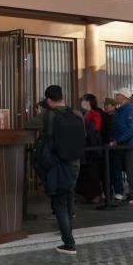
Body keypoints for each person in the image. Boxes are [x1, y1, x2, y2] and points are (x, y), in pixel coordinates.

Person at [35, 84, 84, 255]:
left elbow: (29, 125)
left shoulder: (48, 115)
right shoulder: (76, 114)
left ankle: (69, 243)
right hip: (75, 163)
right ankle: (69, 232)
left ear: (49, 100)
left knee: (59, 204)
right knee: (69, 198)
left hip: (58, 165)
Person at [111, 87, 133, 205]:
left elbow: (131, 128)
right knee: (130, 171)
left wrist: (118, 140)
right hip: (127, 145)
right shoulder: (122, 110)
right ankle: (132, 194)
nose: (116, 96)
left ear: (123, 97)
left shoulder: (130, 110)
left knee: (132, 171)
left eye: (118, 95)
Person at [75, 93, 104, 203]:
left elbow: (96, 128)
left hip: (93, 147)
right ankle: (87, 194)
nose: (82, 102)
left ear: (89, 102)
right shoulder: (83, 114)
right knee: (85, 172)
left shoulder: (95, 114)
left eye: (84, 100)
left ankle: (96, 194)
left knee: (93, 172)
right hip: (84, 147)